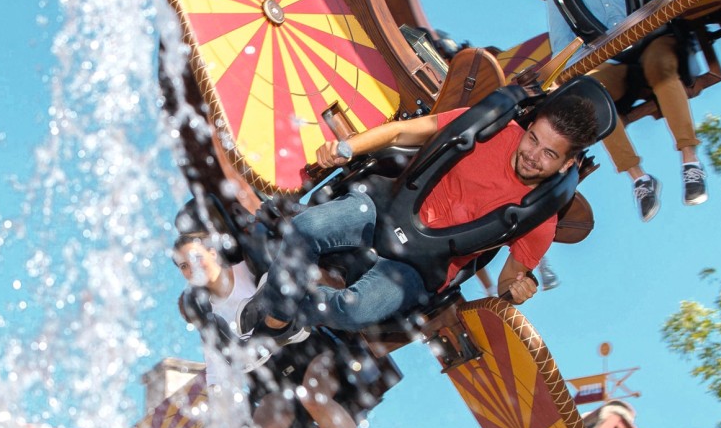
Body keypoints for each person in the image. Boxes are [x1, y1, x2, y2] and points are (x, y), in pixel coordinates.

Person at [245, 92, 601, 338]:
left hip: (423, 263)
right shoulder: (493, 129)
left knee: (353, 312)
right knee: (307, 226)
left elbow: (509, 279)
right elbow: (405, 130)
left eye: (549, 154)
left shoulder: (540, 217)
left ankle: (284, 308)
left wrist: (517, 290)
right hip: (390, 206)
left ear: (567, 163)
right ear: (530, 125)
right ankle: (279, 318)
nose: (532, 155)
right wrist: (345, 148)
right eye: (533, 139)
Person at [172, 231, 400, 428]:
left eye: (195, 258)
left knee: (312, 394)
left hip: (309, 350)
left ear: (213, 253)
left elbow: (300, 272)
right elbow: (216, 363)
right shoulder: (204, 310)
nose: (191, 270)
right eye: (183, 267)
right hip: (269, 378)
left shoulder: (249, 268)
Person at [523, 0, 708, 222]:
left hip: (655, 40)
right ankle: (639, 178)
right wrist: (563, 77)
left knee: (659, 67)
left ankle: (690, 160)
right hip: (615, 59)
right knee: (588, 96)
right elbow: (563, 48)